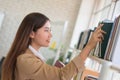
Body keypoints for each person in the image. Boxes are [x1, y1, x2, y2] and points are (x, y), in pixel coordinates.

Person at [1, 12, 105, 80]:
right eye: (46, 30)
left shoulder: (29, 57)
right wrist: (89, 46)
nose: (50, 35)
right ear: (32, 33)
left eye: (50, 30)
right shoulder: (26, 60)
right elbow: (62, 75)